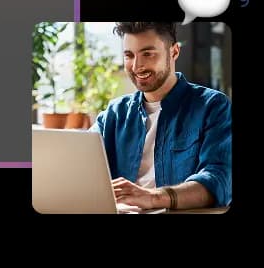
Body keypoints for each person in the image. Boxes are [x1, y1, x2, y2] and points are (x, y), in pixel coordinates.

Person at [93, 21, 231, 211]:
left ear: (174, 52)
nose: (137, 66)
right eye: (129, 55)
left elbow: (220, 179)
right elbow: (81, 167)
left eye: (147, 54)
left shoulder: (212, 106)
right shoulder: (113, 115)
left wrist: (152, 197)